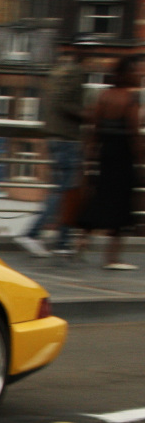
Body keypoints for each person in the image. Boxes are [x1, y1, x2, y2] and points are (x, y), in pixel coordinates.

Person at [73, 55, 142, 270]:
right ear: (126, 74)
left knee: (99, 195)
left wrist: (90, 153)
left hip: (104, 153)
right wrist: (140, 156)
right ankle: (112, 258)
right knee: (122, 205)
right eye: (137, 71)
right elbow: (133, 131)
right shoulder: (130, 99)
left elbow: (94, 127)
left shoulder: (104, 96)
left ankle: (83, 239)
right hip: (123, 155)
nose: (140, 75)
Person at [17, 46, 86, 258]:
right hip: (67, 138)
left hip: (56, 136)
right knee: (64, 192)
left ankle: (63, 241)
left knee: (67, 191)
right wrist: (87, 115)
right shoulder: (74, 73)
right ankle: (32, 233)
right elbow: (64, 102)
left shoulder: (57, 72)